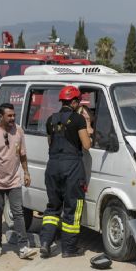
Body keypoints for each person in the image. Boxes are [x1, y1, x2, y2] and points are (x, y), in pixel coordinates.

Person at [40, 85, 92, 259]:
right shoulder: (78, 119)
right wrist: (89, 129)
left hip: (53, 166)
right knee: (73, 207)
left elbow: (50, 143)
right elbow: (86, 145)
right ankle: (69, 249)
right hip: (72, 168)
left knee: (53, 207)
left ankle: (46, 243)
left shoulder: (50, 119)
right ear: (75, 101)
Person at [0, 103, 37, 260]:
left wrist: (26, 172)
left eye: (14, 115)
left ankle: (23, 247)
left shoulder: (19, 130)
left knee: (18, 212)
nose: (13, 118)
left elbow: (23, 154)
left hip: (14, 179)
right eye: (9, 116)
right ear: (1, 116)